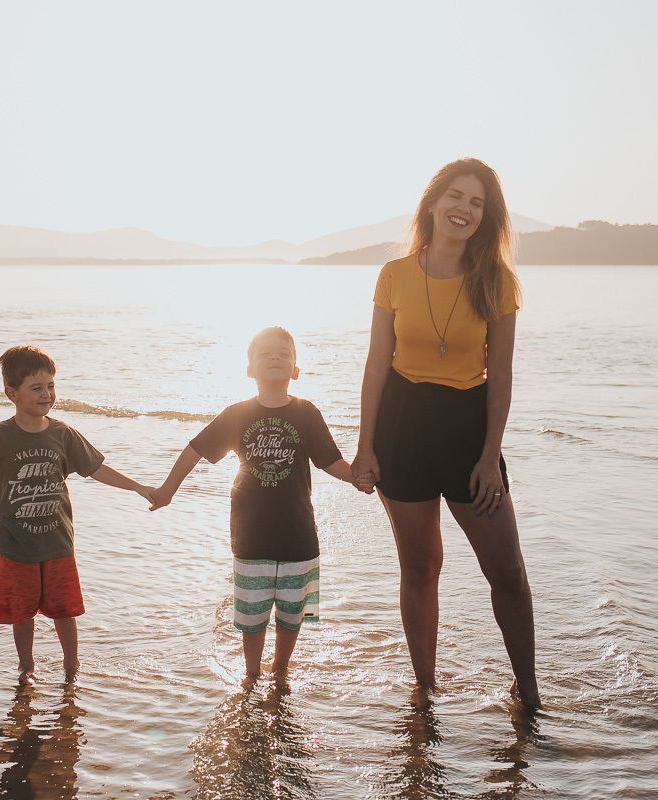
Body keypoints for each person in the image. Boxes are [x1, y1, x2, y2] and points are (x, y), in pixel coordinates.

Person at [349, 158, 541, 709]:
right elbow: (375, 367)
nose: (464, 209)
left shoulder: (497, 282)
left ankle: (528, 691)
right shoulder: (393, 275)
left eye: (477, 203)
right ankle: (426, 690)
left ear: (487, 217)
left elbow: (500, 374)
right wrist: (366, 447)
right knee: (419, 564)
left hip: (467, 429)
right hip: (402, 428)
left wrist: (489, 456)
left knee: (506, 568)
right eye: (456, 196)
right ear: (433, 203)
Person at [0, 345, 153, 685]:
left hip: (58, 544)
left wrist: (138, 487)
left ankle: (72, 666)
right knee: (22, 613)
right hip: (15, 545)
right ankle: (26, 667)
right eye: (37, 388)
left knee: (66, 611)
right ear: (12, 393)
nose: (47, 394)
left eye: (51, 385)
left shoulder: (62, 434)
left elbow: (96, 469)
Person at [149, 327, 355, 685]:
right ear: (249, 369)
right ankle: (251, 673)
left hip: (298, 533)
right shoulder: (237, 414)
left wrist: (361, 478)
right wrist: (168, 489)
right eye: (265, 354)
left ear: (295, 369)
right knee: (252, 612)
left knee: (292, 611)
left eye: (283, 353)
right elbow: (195, 449)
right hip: (250, 534)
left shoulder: (307, 413)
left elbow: (330, 461)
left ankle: (281, 669)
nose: (274, 357)